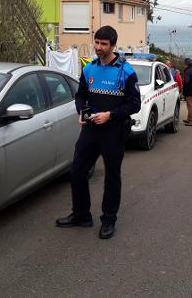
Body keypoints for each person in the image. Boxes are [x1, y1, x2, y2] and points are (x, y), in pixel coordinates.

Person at [56, 25, 141, 239]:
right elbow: (81, 95)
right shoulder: (89, 69)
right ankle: (81, 215)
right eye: (97, 42)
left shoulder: (126, 71)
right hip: (91, 129)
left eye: (104, 44)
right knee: (76, 171)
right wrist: (81, 111)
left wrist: (110, 115)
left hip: (113, 130)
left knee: (112, 176)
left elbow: (134, 104)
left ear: (113, 45)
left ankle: (108, 219)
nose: (99, 47)